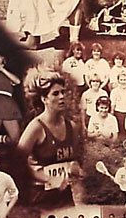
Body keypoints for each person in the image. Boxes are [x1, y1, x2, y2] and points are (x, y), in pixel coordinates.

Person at [19, 70, 82, 207]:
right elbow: (16, 162)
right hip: (40, 198)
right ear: (44, 99)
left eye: (63, 92)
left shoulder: (71, 126)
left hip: (65, 197)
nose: (62, 97)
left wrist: (75, 167)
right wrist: (47, 178)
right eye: (55, 93)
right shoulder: (36, 127)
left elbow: (72, 159)